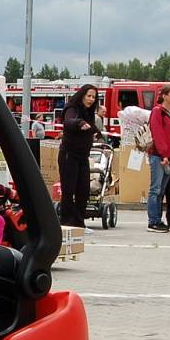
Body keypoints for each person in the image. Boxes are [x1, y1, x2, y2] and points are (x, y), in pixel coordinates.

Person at [57, 84, 99, 232]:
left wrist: (96, 132)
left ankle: (79, 223)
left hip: (83, 156)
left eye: (93, 97)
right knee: (68, 190)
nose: (91, 99)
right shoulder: (72, 108)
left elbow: (91, 126)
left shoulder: (89, 112)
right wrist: (79, 123)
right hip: (69, 155)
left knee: (83, 190)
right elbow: (68, 122)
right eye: (89, 96)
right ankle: (66, 222)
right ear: (82, 95)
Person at [147, 84, 170, 233]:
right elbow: (158, 133)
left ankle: (158, 219)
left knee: (162, 190)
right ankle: (153, 221)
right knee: (155, 189)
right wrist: (164, 154)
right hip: (158, 156)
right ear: (164, 96)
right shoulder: (157, 112)